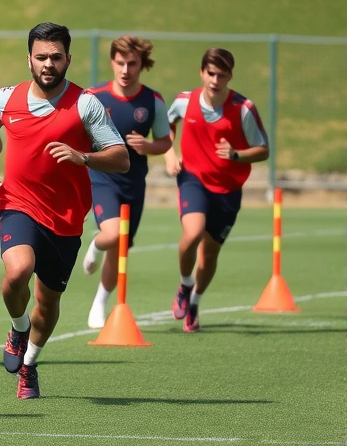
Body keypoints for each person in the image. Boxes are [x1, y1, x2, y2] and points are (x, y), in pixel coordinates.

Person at [0, 22, 128, 399]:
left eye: (56, 57)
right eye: (41, 56)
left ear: (68, 60)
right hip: (17, 203)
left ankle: (29, 365)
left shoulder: (85, 104)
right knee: (17, 271)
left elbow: (121, 157)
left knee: (47, 304)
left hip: (65, 218)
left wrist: (83, 156)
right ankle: (18, 327)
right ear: (28, 59)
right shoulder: (6, 97)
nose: (48, 64)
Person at [164, 48, 269, 332]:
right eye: (210, 73)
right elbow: (166, 125)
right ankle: (185, 285)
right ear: (201, 72)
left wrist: (236, 155)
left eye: (221, 75)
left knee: (210, 255)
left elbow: (263, 150)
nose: (215, 80)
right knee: (193, 233)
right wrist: (169, 154)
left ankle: (194, 303)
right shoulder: (185, 101)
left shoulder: (243, 108)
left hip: (228, 189)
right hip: (193, 179)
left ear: (230, 76)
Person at [81, 36, 172, 328]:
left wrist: (148, 146)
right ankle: (95, 245)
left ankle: (100, 303)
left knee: (120, 249)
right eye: (120, 62)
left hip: (134, 184)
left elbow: (165, 141)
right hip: (102, 179)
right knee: (112, 235)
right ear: (112, 62)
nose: (125, 70)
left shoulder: (153, 101)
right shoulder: (93, 97)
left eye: (132, 64)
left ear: (141, 65)